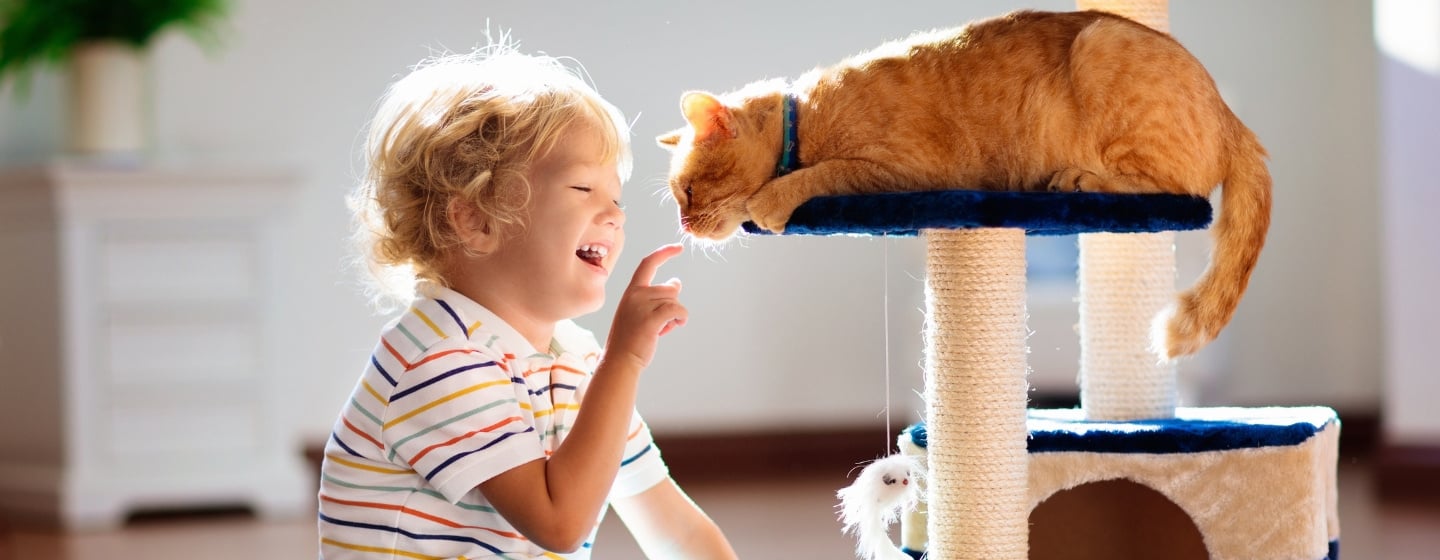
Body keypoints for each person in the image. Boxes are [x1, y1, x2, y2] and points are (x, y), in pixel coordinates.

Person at [318, 43, 737, 560]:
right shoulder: (438, 360)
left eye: (616, 197)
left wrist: (611, 369)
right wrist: (624, 362)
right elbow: (559, 525)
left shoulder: (578, 362)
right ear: (475, 221)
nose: (614, 214)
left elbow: (679, 535)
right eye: (582, 187)